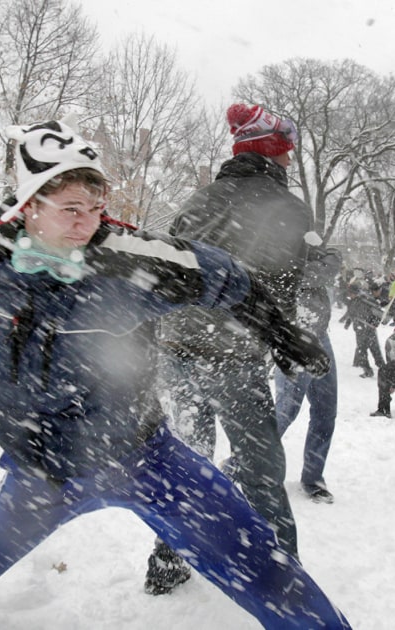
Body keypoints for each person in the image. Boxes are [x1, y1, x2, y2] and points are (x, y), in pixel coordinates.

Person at [0, 76, 348, 629]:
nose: (86, 221)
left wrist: (281, 330)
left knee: (259, 562)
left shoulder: (128, 258)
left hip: (147, 456)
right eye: (70, 207)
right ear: (28, 205)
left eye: (95, 206)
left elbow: (220, 274)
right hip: (48, 473)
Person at [148, 103, 312, 593]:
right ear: (274, 154)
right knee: (262, 471)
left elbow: (170, 270)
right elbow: (281, 292)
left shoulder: (201, 198)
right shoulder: (287, 209)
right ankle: (283, 580)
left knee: (188, 460)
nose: (290, 162)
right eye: (287, 153)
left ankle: (168, 560)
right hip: (233, 356)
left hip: (176, 347)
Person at [274, 244, 342, 503]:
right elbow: (293, 275)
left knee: (326, 410)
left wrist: (305, 261)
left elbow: (332, 261)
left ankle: (313, 479)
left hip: (321, 337)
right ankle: (240, 463)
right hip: (294, 337)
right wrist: (305, 265)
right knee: (285, 410)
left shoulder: (307, 245)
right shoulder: (275, 251)